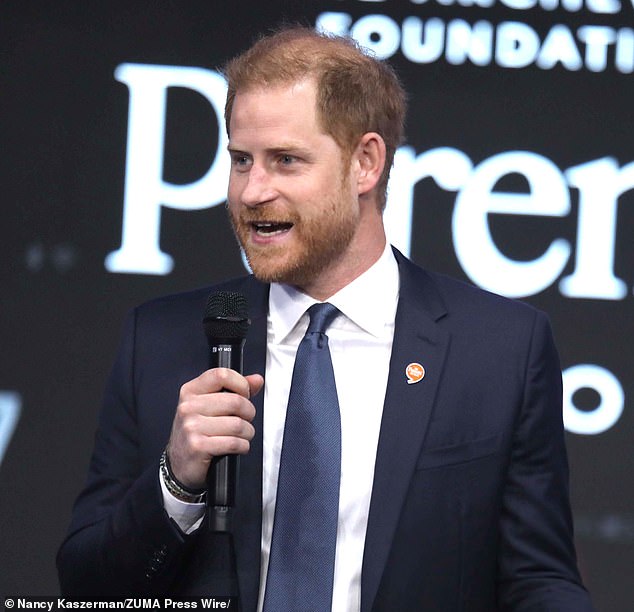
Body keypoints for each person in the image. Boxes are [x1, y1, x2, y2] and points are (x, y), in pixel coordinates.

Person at [58, 27, 594, 611]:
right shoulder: (160, 341)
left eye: (285, 161)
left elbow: (539, 582)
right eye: (241, 160)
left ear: (365, 163)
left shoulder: (500, 350)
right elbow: (88, 588)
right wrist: (177, 480)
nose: (252, 191)